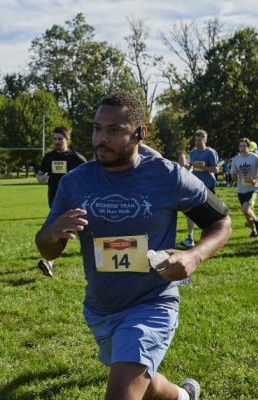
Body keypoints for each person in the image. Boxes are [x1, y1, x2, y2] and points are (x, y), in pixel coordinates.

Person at [36, 92, 231, 400]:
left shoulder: (167, 176)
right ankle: (182, 396)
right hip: (101, 309)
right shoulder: (74, 183)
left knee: (123, 388)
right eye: (97, 128)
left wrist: (195, 255)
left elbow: (222, 222)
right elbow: (49, 250)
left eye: (114, 130)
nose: (101, 138)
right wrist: (48, 236)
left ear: (140, 133)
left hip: (152, 304)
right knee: (143, 380)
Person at [36, 126, 87, 277]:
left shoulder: (76, 157)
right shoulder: (49, 157)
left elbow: (89, 173)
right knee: (66, 229)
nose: (57, 141)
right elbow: (40, 173)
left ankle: (49, 261)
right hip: (53, 198)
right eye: (54, 139)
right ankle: (50, 260)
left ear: (67, 139)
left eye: (60, 138)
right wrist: (41, 178)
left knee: (64, 229)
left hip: (72, 200)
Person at [180, 130, 219, 248]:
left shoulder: (211, 153)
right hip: (196, 186)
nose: (197, 142)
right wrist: (186, 167)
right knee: (190, 211)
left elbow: (216, 170)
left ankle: (212, 236)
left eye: (200, 140)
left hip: (209, 185)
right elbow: (192, 168)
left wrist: (203, 167)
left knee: (210, 213)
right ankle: (190, 237)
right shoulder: (192, 152)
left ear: (205, 140)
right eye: (196, 140)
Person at [231, 138, 258, 238]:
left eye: (244, 146)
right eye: (240, 146)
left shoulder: (255, 157)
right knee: (247, 213)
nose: (242, 148)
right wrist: (234, 175)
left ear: (248, 147)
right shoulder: (236, 159)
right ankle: (254, 231)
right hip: (241, 189)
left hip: (253, 188)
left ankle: (257, 220)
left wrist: (257, 179)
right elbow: (234, 177)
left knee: (245, 209)